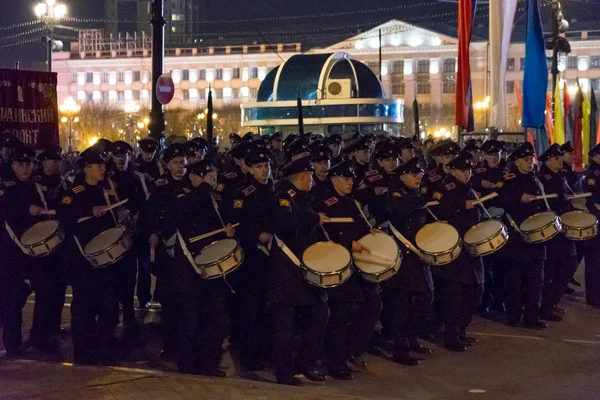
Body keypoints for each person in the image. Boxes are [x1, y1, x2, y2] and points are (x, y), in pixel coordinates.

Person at [58, 147, 129, 364]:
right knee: (84, 307)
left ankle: (102, 346)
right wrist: (90, 212)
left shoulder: (106, 190)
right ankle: (83, 349)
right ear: (87, 168)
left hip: (107, 261)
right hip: (84, 261)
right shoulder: (74, 193)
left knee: (109, 305)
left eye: (103, 166)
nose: (103, 170)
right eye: (99, 166)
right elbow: (64, 216)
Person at [168, 159, 234, 376]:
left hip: (213, 267)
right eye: (206, 176)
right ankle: (187, 363)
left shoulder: (214, 197)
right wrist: (204, 187)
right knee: (190, 321)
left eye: (212, 176)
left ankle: (208, 362)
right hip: (190, 269)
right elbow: (180, 212)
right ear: (194, 177)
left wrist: (228, 230)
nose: (211, 180)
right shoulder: (183, 193)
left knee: (216, 320)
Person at [316, 160, 380, 380]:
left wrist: (371, 234)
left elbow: (360, 227)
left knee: (372, 305)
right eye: (345, 178)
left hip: (358, 265)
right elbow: (324, 234)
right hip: (338, 263)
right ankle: (336, 362)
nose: (350, 182)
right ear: (334, 180)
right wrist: (348, 243)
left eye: (351, 178)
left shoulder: (352, 201)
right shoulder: (327, 202)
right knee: (340, 316)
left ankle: (351, 350)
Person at [269, 156, 329, 385]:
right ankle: (284, 373)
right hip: (288, 271)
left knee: (320, 314)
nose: (313, 180)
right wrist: (314, 218)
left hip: (307, 269)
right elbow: (284, 223)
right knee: (285, 325)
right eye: (311, 176)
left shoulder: (305, 197)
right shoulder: (283, 197)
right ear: (302, 176)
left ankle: (306, 363)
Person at [431, 154, 484, 351]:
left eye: (469, 170)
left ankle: (461, 330)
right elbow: (437, 210)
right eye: (462, 170)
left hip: (471, 246)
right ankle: (451, 335)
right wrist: (463, 205)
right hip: (455, 247)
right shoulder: (445, 188)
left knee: (475, 292)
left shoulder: (468, 188)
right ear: (452, 171)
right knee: (455, 296)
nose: (467, 174)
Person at [385, 157, 434, 365]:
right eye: (414, 175)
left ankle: (411, 337)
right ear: (403, 176)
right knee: (401, 305)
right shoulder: (396, 192)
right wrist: (424, 199)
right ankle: (400, 347)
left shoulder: (416, 194)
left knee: (426, 297)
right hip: (403, 256)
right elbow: (402, 209)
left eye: (420, 175)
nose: (418, 178)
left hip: (418, 255)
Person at [230, 146, 274, 369]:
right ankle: (248, 356)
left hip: (271, 257)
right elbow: (238, 224)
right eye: (259, 167)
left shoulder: (273, 189)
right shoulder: (245, 193)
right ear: (250, 168)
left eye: (266, 166)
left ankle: (264, 351)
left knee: (267, 307)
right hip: (253, 256)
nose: (264, 170)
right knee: (251, 308)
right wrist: (257, 235)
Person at [145, 143, 190, 358]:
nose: (180, 167)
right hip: (167, 247)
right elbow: (151, 213)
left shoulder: (192, 184)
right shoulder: (161, 186)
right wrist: (152, 232)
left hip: (188, 247)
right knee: (169, 299)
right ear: (167, 165)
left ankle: (185, 344)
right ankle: (170, 345)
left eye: (183, 163)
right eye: (176, 163)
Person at [496, 142, 547, 329]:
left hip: (536, 236)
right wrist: (519, 198)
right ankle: (513, 315)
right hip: (516, 237)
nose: (530, 163)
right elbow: (500, 200)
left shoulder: (535, 179)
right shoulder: (509, 180)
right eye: (526, 160)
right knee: (514, 280)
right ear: (517, 162)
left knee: (536, 279)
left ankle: (531, 316)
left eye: (531, 159)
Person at [0, 147, 39, 356]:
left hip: (32, 251)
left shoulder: (35, 186)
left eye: (28, 164)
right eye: (21, 165)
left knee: (26, 292)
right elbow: (4, 210)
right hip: (11, 251)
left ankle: (39, 336)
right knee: (12, 298)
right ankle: (12, 345)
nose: (25, 168)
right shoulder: (5, 187)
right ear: (13, 165)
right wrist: (27, 210)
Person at [537, 144, 577, 321]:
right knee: (552, 270)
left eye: (560, 158)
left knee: (569, 264)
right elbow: (544, 203)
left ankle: (551, 302)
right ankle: (545, 306)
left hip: (563, 225)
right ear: (547, 161)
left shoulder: (561, 174)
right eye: (556, 159)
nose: (560, 161)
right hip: (552, 228)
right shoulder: (542, 178)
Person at [579, 143, 600, 308]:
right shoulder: (592, 174)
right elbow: (591, 198)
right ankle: (593, 296)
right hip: (595, 219)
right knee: (594, 260)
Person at [367, 144, 399, 225]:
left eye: (394, 159)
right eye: (387, 160)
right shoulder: (373, 179)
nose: (391, 163)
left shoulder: (403, 178)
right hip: (380, 222)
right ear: (380, 162)